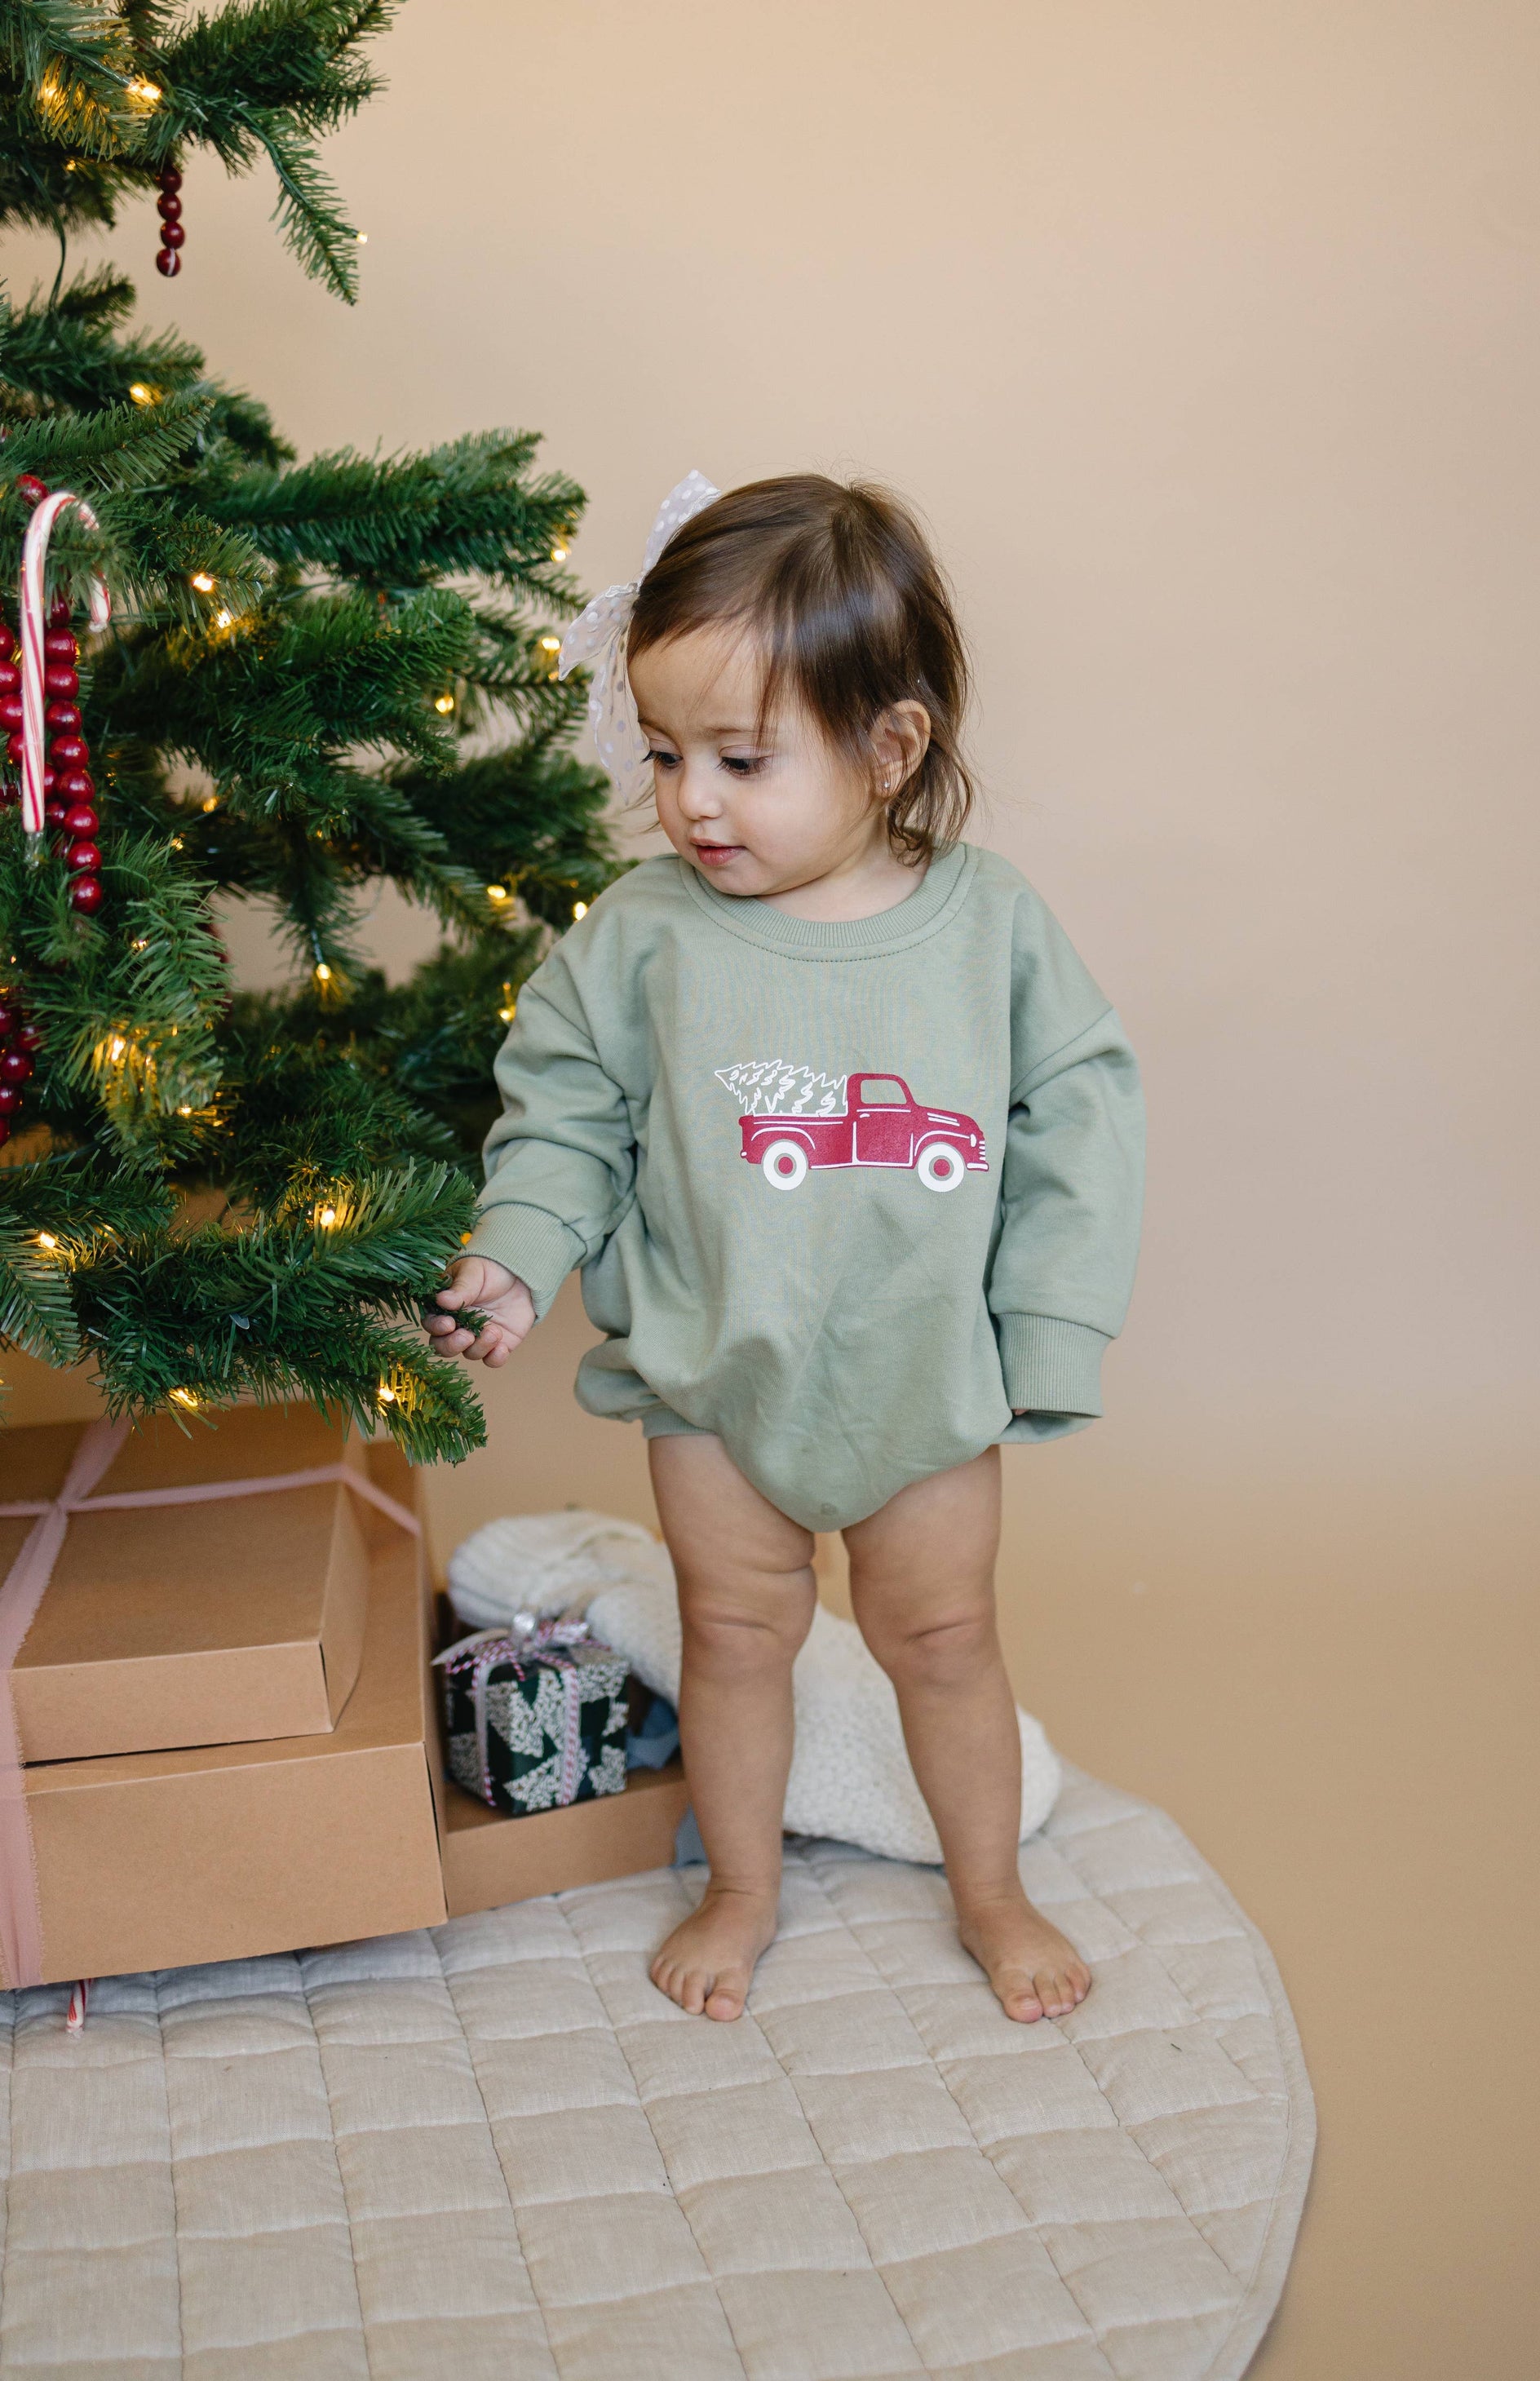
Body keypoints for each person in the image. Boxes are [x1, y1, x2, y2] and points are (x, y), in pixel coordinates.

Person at [425, 472, 1145, 2025]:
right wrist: (513, 1255)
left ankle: (991, 1890)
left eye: (744, 762)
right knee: (735, 1638)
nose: (692, 801)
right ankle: (740, 1886)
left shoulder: (986, 928)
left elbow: (1078, 1121)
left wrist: (1051, 1332)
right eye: (667, 754)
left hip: (921, 1379)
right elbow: (562, 1116)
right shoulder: (640, 936)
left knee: (943, 1639)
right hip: (712, 1376)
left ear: (889, 750)